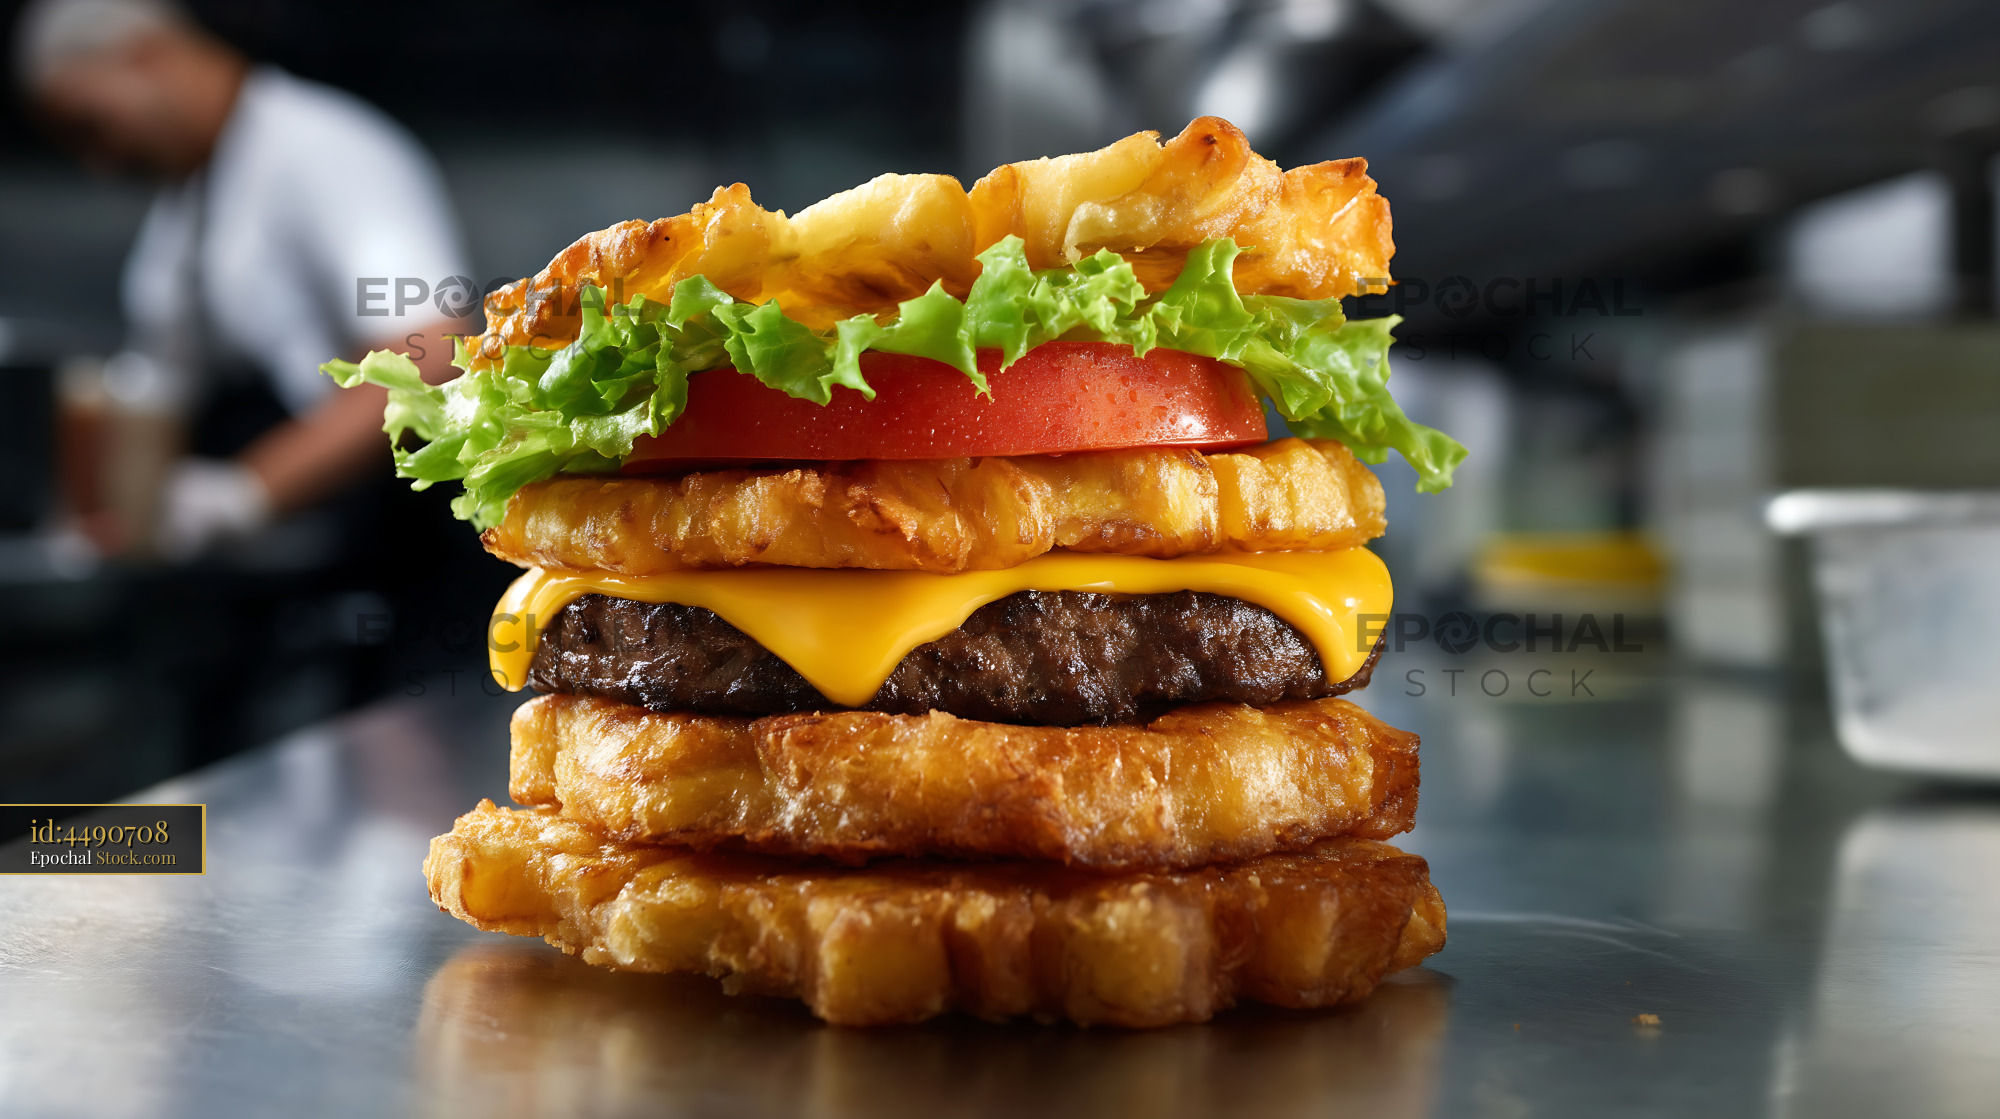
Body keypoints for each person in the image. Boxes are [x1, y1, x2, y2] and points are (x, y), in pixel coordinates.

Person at [15, 0, 469, 558]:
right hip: (288, 565)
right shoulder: (185, 208)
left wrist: (243, 493)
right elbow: (157, 385)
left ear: (144, 57)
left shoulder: (324, 151)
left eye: (91, 127)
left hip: (389, 556)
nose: (99, 166)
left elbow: (432, 352)